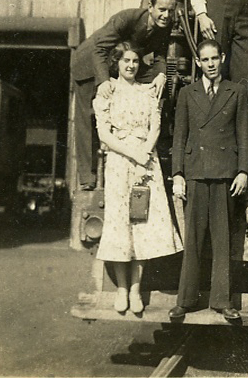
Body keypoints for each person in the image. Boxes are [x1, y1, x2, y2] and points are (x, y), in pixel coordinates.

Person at [93, 42, 183, 314]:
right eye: (125, 61)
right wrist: (132, 153)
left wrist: (144, 155)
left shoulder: (148, 93)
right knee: (120, 226)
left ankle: (136, 287)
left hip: (146, 163)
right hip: (120, 163)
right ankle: (121, 287)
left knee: (141, 224)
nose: (131, 65)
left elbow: (155, 127)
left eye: (134, 61)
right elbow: (104, 135)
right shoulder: (105, 93)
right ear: (116, 64)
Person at [168, 39, 248, 321]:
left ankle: (222, 300)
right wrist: (178, 174)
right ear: (198, 62)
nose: (211, 64)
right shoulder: (186, 93)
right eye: (206, 60)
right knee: (193, 239)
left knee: (222, 239)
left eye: (215, 58)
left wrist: (243, 170)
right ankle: (186, 299)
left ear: (223, 58)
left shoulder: (236, 92)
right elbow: (179, 136)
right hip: (196, 172)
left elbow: (243, 133)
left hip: (225, 173)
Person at [71, 0, 177, 190]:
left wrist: (162, 74)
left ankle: (154, 144)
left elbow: (161, 53)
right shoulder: (127, 18)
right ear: (150, 8)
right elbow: (99, 48)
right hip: (90, 63)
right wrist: (103, 81)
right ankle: (87, 177)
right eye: (162, 10)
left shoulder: (166, 24)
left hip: (119, 62)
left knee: (155, 84)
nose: (166, 15)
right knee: (87, 118)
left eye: (170, 11)